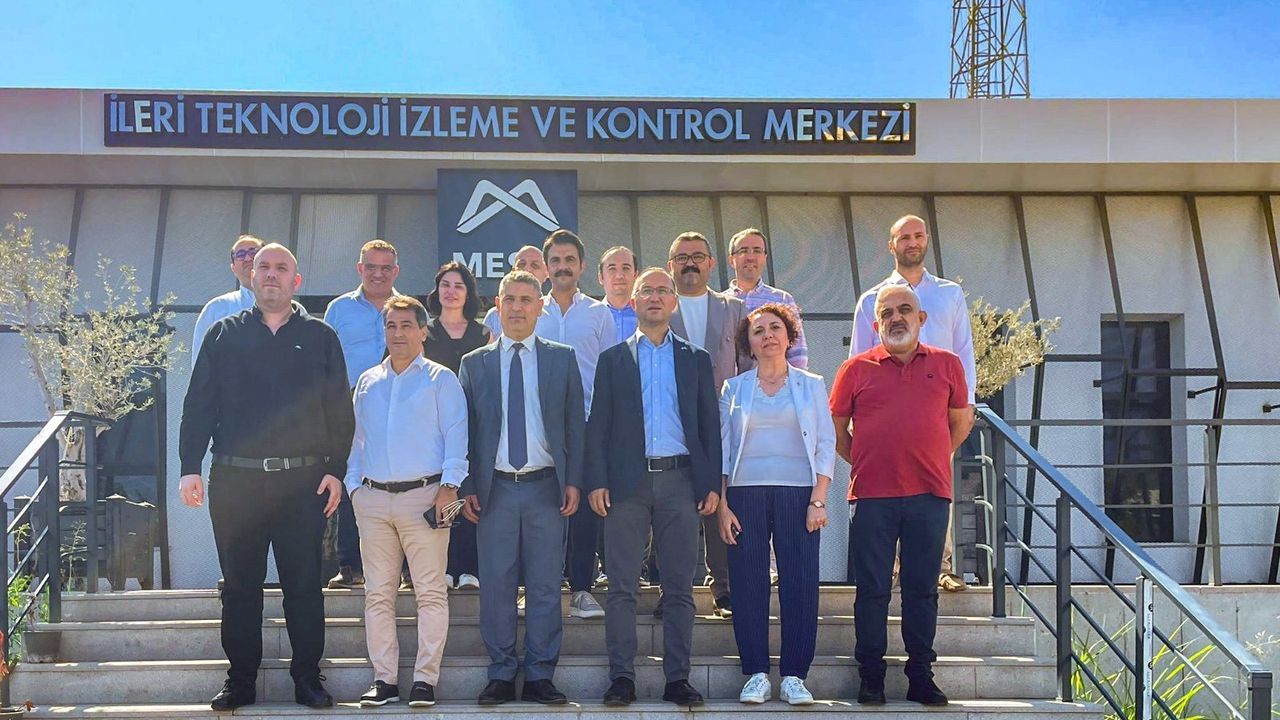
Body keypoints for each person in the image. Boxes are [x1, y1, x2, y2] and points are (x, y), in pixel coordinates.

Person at [179, 243, 353, 711]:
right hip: (236, 482)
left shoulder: (320, 337)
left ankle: (307, 678)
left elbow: (339, 409)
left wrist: (336, 469)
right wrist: (189, 467)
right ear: (250, 277)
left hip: (303, 483)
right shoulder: (223, 334)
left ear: (296, 281)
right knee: (240, 588)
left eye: (281, 268)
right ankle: (240, 681)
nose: (271, 275)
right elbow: (199, 404)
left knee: (304, 585)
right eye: (263, 268)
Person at [830, 284, 974, 707]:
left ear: (921, 318)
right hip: (871, 495)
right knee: (872, 590)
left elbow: (961, 421)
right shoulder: (854, 369)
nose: (896, 318)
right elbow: (835, 431)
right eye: (887, 313)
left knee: (921, 589)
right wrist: (864, 460)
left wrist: (934, 456)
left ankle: (920, 676)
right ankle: (871, 676)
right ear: (876, 324)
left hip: (929, 494)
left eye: (905, 310)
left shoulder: (947, 364)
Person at [586, 267, 721, 707]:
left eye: (664, 291)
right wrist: (597, 480)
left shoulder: (696, 358)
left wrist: (710, 483)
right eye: (648, 291)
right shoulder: (613, 359)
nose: (656, 297)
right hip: (626, 484)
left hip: (681, 482)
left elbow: (709, 425)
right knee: (621, 586)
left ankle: (677, 679)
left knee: (679, 587)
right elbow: (598, 425)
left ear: (674, 302)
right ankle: (621, 678)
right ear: (635, 300)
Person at [457, 270, 585, 706]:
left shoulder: (562, 359)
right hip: (494, 491)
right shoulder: (474, 363)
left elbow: (575, 425)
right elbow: (464, 431)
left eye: (526, 299)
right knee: (496, 584)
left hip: (546, 488)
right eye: (509, 299)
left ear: (539, 307)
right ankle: (500, 672)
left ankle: (539, 675)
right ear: (497, 304)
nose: (516, 307)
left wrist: (574, 481)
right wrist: (468, 485)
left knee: (546, 585)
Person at [347, 295, 467, 709]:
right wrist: (353, 487)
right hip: (373, 500)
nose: (398, 333)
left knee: (430, 592)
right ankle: (384, 680)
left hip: (428, 497)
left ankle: (424, 681)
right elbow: (357, 440)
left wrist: (449, 487)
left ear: (422, 331)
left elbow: (457, 436)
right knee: (378, 594)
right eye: (391, 326)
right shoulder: (367, 382)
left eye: (406, 325)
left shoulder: (441, 379)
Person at [848, 214, 977, 592]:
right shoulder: (872, 299)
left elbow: (963, 351)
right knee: (883, 493)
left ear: (927, 241)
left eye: (918, 235)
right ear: (892, 246)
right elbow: (858, 357)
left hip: (937, 410)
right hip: (882, 412)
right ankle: (888, 567)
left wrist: (966, 403)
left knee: (936, 488)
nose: (912, 242)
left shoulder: (950, 294)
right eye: (904, 237)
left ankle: (940, 566)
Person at [717, 303, 834, 706]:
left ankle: (795, 676)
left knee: (800, 582)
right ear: (748, 343)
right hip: (744, 494)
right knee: (748, 584)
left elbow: (825, 444)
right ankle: (755, 673)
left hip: (798, 493)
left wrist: (818, 500)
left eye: (775, 328)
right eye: (758, 330)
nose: (767, 335)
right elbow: (723, 449)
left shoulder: (811, 384)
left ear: (789, 337)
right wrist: (723, 505)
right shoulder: (733, 389)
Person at [666, 231, 750, 618]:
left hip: (723, 421)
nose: (690, 263)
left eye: (698, 256)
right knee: (676, 509)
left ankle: (725, 588)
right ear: (671, 265)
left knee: (721, 501)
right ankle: (673, 590)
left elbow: (746, 367)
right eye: (682, 257)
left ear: (711, 263)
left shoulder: (734, 308)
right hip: (675, 423)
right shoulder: (661, 307)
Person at [538, 230, 617, 619]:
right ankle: (538, 587)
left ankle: (582, 589)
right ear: (545, 267)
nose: (563, 267)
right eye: (555, 260)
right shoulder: (532, 310)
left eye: (569, 260)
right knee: (541, 509)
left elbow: (610, 374)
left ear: (582, 266)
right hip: (538, 427)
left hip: (585, 426)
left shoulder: (599, 314)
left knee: (584, 511)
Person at [324, 239, 403, 590]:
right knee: (350, 481)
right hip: (349, 407)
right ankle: (349, 565)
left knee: (399, 485)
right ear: (360, 269)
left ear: (395, 272)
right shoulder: (339, 310)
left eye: (386, 268)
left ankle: (403, 569)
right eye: (371, 266)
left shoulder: (408, 309)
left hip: (399, 409)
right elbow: (324, 361)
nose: (378, 274)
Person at [423, 261, 492, 592]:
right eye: (445, 285)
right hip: (432, 426)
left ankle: (469, 568)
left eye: (458, 285)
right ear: (437, 291)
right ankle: (445, 567)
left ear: (468, 293)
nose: (451, 291)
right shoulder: (424, 331)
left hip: (475, 423)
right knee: (440, 491)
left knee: (469, 492)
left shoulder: (484, 334)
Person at [725, 229, 809, 369]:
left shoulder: (782, 299)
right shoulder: (721, 303)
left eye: (757, 251)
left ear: (765, 258)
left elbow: (797, 355)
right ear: (731, 260)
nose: (750, 257)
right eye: (743, 251)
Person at [191, 234, 262, 359]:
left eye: (253, 252)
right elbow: (200, 363)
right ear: (233, 268)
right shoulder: (215, 309)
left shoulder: (289, 309)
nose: (247, 258)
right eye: (240, 254)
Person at [482, 244, 549, 336]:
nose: (527, 269)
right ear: (513, 271)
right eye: (521, 264)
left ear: (546, 274)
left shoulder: (555, 316)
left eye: (535, 265)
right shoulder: (494, 317)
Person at [598, 245, 638, 344]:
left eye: (626, 268)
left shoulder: (648, 316)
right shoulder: (591, 317)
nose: (619, 276)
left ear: (636, 275)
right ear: (601, 277)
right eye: (612, 269)